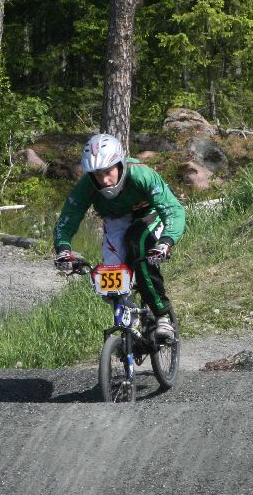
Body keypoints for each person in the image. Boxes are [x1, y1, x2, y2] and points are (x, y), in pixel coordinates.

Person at [54, 133, 186, 341]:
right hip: (116, 218)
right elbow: (68, 218)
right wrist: (63, 249)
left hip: (150, 212)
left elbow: (172, 209)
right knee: (110, 275)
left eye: (108, 172)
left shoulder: (141, 175)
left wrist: (166, 242)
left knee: (139, 245)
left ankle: (162, 316)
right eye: (97, 175)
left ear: (119, 164)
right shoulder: (87, 186)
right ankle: (129, 321)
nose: (104, 181)